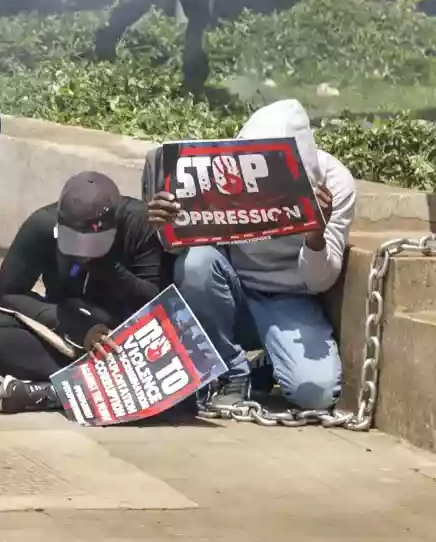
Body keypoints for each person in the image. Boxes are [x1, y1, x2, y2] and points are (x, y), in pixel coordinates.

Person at [149, 99, 357, 412]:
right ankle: (231, 371)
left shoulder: (336, 184)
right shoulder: (220, 171)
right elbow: (178, 253)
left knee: (315, 394)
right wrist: (166, 225)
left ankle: (271, 361)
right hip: (232, 289)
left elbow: (320, 282)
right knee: (196, 264)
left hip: (290, 298)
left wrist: (315, 233)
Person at [0, 171, 165, 415]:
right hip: (68, 332)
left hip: (122, 340)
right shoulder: (42, 224)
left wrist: (107, 266)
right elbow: (10, 292)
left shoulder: (139, 223)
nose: (82, 251)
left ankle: (58, 391)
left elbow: (155, 300)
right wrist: (76, 326)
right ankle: (93, 386)